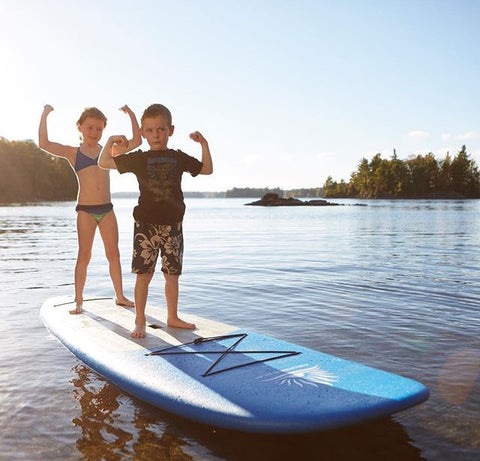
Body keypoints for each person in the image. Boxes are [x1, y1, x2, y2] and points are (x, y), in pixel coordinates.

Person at [99, 103, 213, 338]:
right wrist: (110, 141)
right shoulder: (140, 159)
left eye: (160, 130)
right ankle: (139, 319)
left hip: (173, 226)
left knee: (172, 275)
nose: (155, 135)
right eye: (149, 131)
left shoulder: (178, 157)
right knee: (144, 275)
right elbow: (104, 163)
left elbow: (207, 169)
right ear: (142, 133)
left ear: (170, 130)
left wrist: (204, 144)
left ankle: (173, 316)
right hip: (146, 226)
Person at [39, 104, 142, 314]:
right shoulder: (73, 153)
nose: (94, 133)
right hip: (85, 210)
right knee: (84, 255)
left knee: (113, 254)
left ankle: (120, 296)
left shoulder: (109, 151)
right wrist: (45, 114)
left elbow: (137, 141)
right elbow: (43, 143)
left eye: (99, 129)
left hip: (107, 210)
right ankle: (78, 300)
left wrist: (131, 115)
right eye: (90, 128)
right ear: (79, 127)